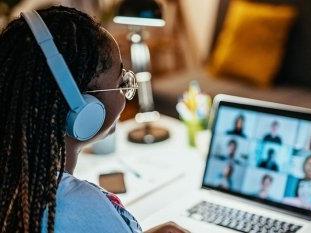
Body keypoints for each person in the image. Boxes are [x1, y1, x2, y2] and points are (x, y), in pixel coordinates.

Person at [0, 6, 186, 233]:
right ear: (80, 106)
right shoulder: (81, 207)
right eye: (121, 83)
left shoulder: (15, 185)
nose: (126, 92)